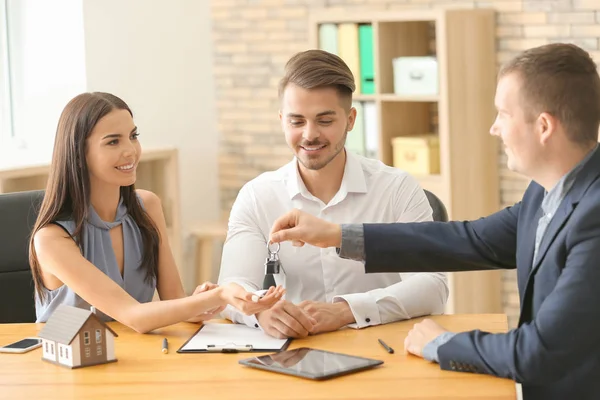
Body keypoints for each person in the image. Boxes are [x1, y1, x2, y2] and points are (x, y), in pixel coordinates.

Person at [268, 43, 600, 400]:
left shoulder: (593, 216)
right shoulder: (545, 192)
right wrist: (335, 235)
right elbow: (469, 240)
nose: (494, 128)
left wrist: (441, 343)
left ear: (544, 126)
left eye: (504, 113)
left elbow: (539, 352)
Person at [217, 49, 448, 339]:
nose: (309, 134)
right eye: (296, 121)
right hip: (298, 350)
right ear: (281, 120)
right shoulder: (256, 196)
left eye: (324, 121)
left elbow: (433, 286)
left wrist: (345, 311)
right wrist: (260, 311)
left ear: (350, 120)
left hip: (382, 347)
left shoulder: (397, 188)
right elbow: (232, 286)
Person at [29, 92, 283, 333]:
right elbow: (133, 316)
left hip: (136, 359)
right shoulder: (52, 239)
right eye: (113, 141)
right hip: (70, 369)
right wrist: (220, 294)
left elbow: (173, 299)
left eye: (133, 136)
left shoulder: (147, 207)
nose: (131, 150)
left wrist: (199, 304)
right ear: (78, 154)